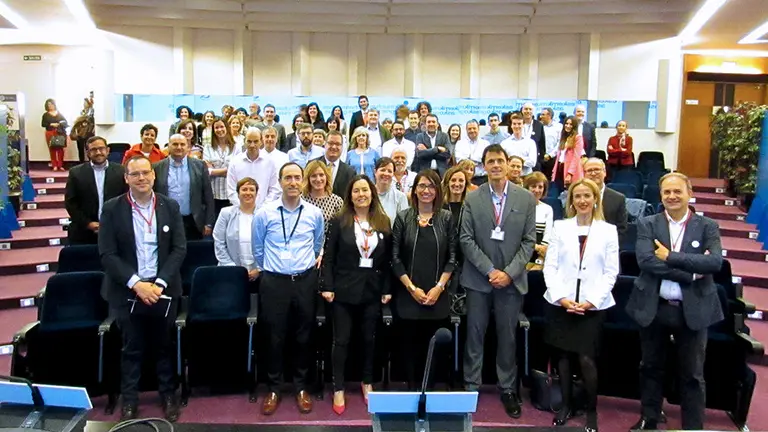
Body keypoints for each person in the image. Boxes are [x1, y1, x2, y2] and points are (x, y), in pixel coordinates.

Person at [626, 172, 724, 431]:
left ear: (689, 192)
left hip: (692, 310)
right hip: (653, 307)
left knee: (692, 374)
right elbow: (646, 261)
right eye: (666, 192)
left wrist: (669, 256)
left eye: (677, 191)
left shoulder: (707, 226)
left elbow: (714, 262)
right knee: (650, 367)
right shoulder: (648, 223)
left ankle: (693, 426)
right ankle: (649, 418)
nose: (672, 196)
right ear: (660, 196)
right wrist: (692, 271)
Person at [98, 155, 186, 422]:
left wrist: (157, 284)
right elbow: (107, 254)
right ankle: (130, 400)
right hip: (127, 290)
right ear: (126, 178)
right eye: (135, 174)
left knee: (164, 346)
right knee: (131, 348)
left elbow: (179, 248)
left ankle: (168, 395)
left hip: (162, 289)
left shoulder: (169, 206)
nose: (141, 178)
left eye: (145, 173)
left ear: (154, 175)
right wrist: (137, 284)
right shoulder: (112, 209)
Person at [460, 144, 536, 418]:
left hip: (511, 282)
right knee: (475, 335)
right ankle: (471, 386)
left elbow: (529, 242)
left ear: (507, 165)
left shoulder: (526, 199)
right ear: (483, 166)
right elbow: (465, 239)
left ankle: (507, 388)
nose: (495, 165)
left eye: (499, 161)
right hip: (478, 280)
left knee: (507, 337)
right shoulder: (473, 198)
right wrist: (490, 270)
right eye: (490, 161)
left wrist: (508, 273)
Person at [543, 178, 619, 431]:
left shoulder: (608, 230)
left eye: (587, 195)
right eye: (578, 196)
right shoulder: (561, 227)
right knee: (562, 357)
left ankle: (591, 410)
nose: (583, 200)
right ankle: (565, 406)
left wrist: (590, 302)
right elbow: (550, 266)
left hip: (592, 306)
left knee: (587, 359)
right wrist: (561, 297)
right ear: (571, 201)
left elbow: (611, 272)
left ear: (595, 198)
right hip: (561, 302)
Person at [252, 162, 325, 416]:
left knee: (304, 335)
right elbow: (257, 249)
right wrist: (273, 269)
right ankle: (273, 387)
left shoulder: (314, 214)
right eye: (288, 178)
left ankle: (301, 387)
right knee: (274, 335)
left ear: (303, 181)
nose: (293, 182)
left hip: (305, 280)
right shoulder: (265, 213)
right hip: (274, 282)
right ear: (280, 181)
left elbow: (317, 246)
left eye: (297, 178)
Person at [321, 175, 392, 415]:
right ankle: (339, 387)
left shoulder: (382, 222)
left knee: (369, 340)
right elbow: (328, 258)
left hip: (372, 291)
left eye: (365, 190)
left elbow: (388, 261)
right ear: (349, 196)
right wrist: (327, 286)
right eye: (356, 191)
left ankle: (367, 381)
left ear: (372, 193)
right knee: (341, 341)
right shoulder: (338, 221)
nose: (361, 194)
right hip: (342, 291)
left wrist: (386, 289)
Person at [391, 170, 457, 390]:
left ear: (438, 190)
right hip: (409, 295)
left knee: (435, 346)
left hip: (437, 296)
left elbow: (453, 257)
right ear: (414, 189)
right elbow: (395, 257)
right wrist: (411, 289)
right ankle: (411, 388)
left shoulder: (446, 218)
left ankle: (430, 390)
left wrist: (439, 287)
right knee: (409, 347)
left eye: (431, 186)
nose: (426, 190)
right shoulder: (403, 217)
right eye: (421, 186)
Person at [65, 136, 128, 245]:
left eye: (101, 148)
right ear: (88, 153)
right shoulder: (76, 173)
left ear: (108, 150)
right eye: (94, 150)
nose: (98, 152)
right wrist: (88, 224)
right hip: (84, 232)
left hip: (115, 230)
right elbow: (70, 203)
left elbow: (126, 200)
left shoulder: (121, 171)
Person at [153, 134, 215, 241]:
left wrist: (208, 223)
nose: (179, 147)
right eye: (175, 144)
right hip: (167, 221)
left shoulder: (199, 165)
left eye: (182, 144)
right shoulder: (156, 167)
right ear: (168, 147)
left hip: (193, 221)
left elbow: (208, 196)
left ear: (188, 147)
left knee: (194, 256)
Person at [213, 177, 261, 291]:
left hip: (259, 273)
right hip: (230, 271)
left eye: (251, 189)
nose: (248, 193)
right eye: (244, 189)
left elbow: (270, 244)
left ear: (256, 193)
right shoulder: (226, 213)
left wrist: (258, 269)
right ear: (238, 193)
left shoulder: (264, 214)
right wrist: (233, 269)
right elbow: (219, 242)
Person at [583, 158, 628, 242]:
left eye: (596, 169)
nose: (593, 173)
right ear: (584, 174)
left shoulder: (618, 199)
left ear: (604, 172)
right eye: (589, 171)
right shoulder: (576, 196)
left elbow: (622, 230)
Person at [203, 118, 238, 218]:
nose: (219, 129)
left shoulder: (236, 146)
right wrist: (228, 169)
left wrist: (214, 171)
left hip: (231, 194)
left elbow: (236, 170)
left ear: (227, 128)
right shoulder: (208, 147)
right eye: (216, 127)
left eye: (221, 126)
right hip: (213, 193)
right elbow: (208, 171)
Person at [302, 160, 343, 234]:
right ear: (308, 178)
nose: (318, 179)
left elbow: (342, 228)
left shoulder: (336, 201)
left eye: (321, 175)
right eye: (313, 176)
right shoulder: (301, 200)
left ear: (326, 176)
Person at [523, 172, 553, 271]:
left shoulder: (547, 209)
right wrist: (535, 247)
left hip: (539, 258)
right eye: (533, 186)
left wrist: (539, 261)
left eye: (540, 187)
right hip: (521, 255)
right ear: (527, 187)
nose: (537, 190)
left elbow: (548, 235)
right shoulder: (518, 207)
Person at [313, 130, 355, 197]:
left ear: (342, 147)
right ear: (325, 144)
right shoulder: (312, 165)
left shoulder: (350, 172)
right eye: (331, 143)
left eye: (338, 144)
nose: (334, 147)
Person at [551, 116, 584, 191]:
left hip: (570, 170)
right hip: (560, 167)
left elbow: (576, 157)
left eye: (571, 124)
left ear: (574, 126)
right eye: (566, 123)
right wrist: (554, 171)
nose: (568, 126)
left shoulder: (578, 138)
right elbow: (559, 156)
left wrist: (570, 174)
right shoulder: (563, 137)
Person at [374, 157, 409, 226]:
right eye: (383, 170)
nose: (386, 173)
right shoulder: (367, 195)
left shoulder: (400, 197)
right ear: (375, 172)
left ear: (393, 174)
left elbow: (404, 225)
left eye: (389, 171)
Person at [41, 98, 68, 171]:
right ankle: (54, 165)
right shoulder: (45, 115)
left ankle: (60, 165)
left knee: (60, 149)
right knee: (52, 149)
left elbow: (65, 122)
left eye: (51, 104)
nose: (50, 106)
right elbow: (43, 124)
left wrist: (59, 124)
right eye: (48, 104)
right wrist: (51, 124)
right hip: (50, 132)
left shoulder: (59, 113)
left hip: (59, 132)